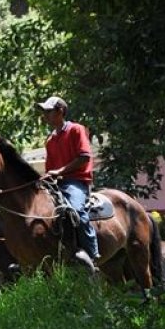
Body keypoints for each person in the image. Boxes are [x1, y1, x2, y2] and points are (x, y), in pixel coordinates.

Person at [37, 96, 100, 269]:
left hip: (76, 181)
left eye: (48, 112)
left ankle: (92, 256)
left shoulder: (76, 129)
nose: (45, 116)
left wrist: (59, 171)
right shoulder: (50, 140)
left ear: (61, 111)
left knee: (76, 211)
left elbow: (84, 157)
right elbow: (50, 168)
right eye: (44, 112)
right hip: (57, 183)